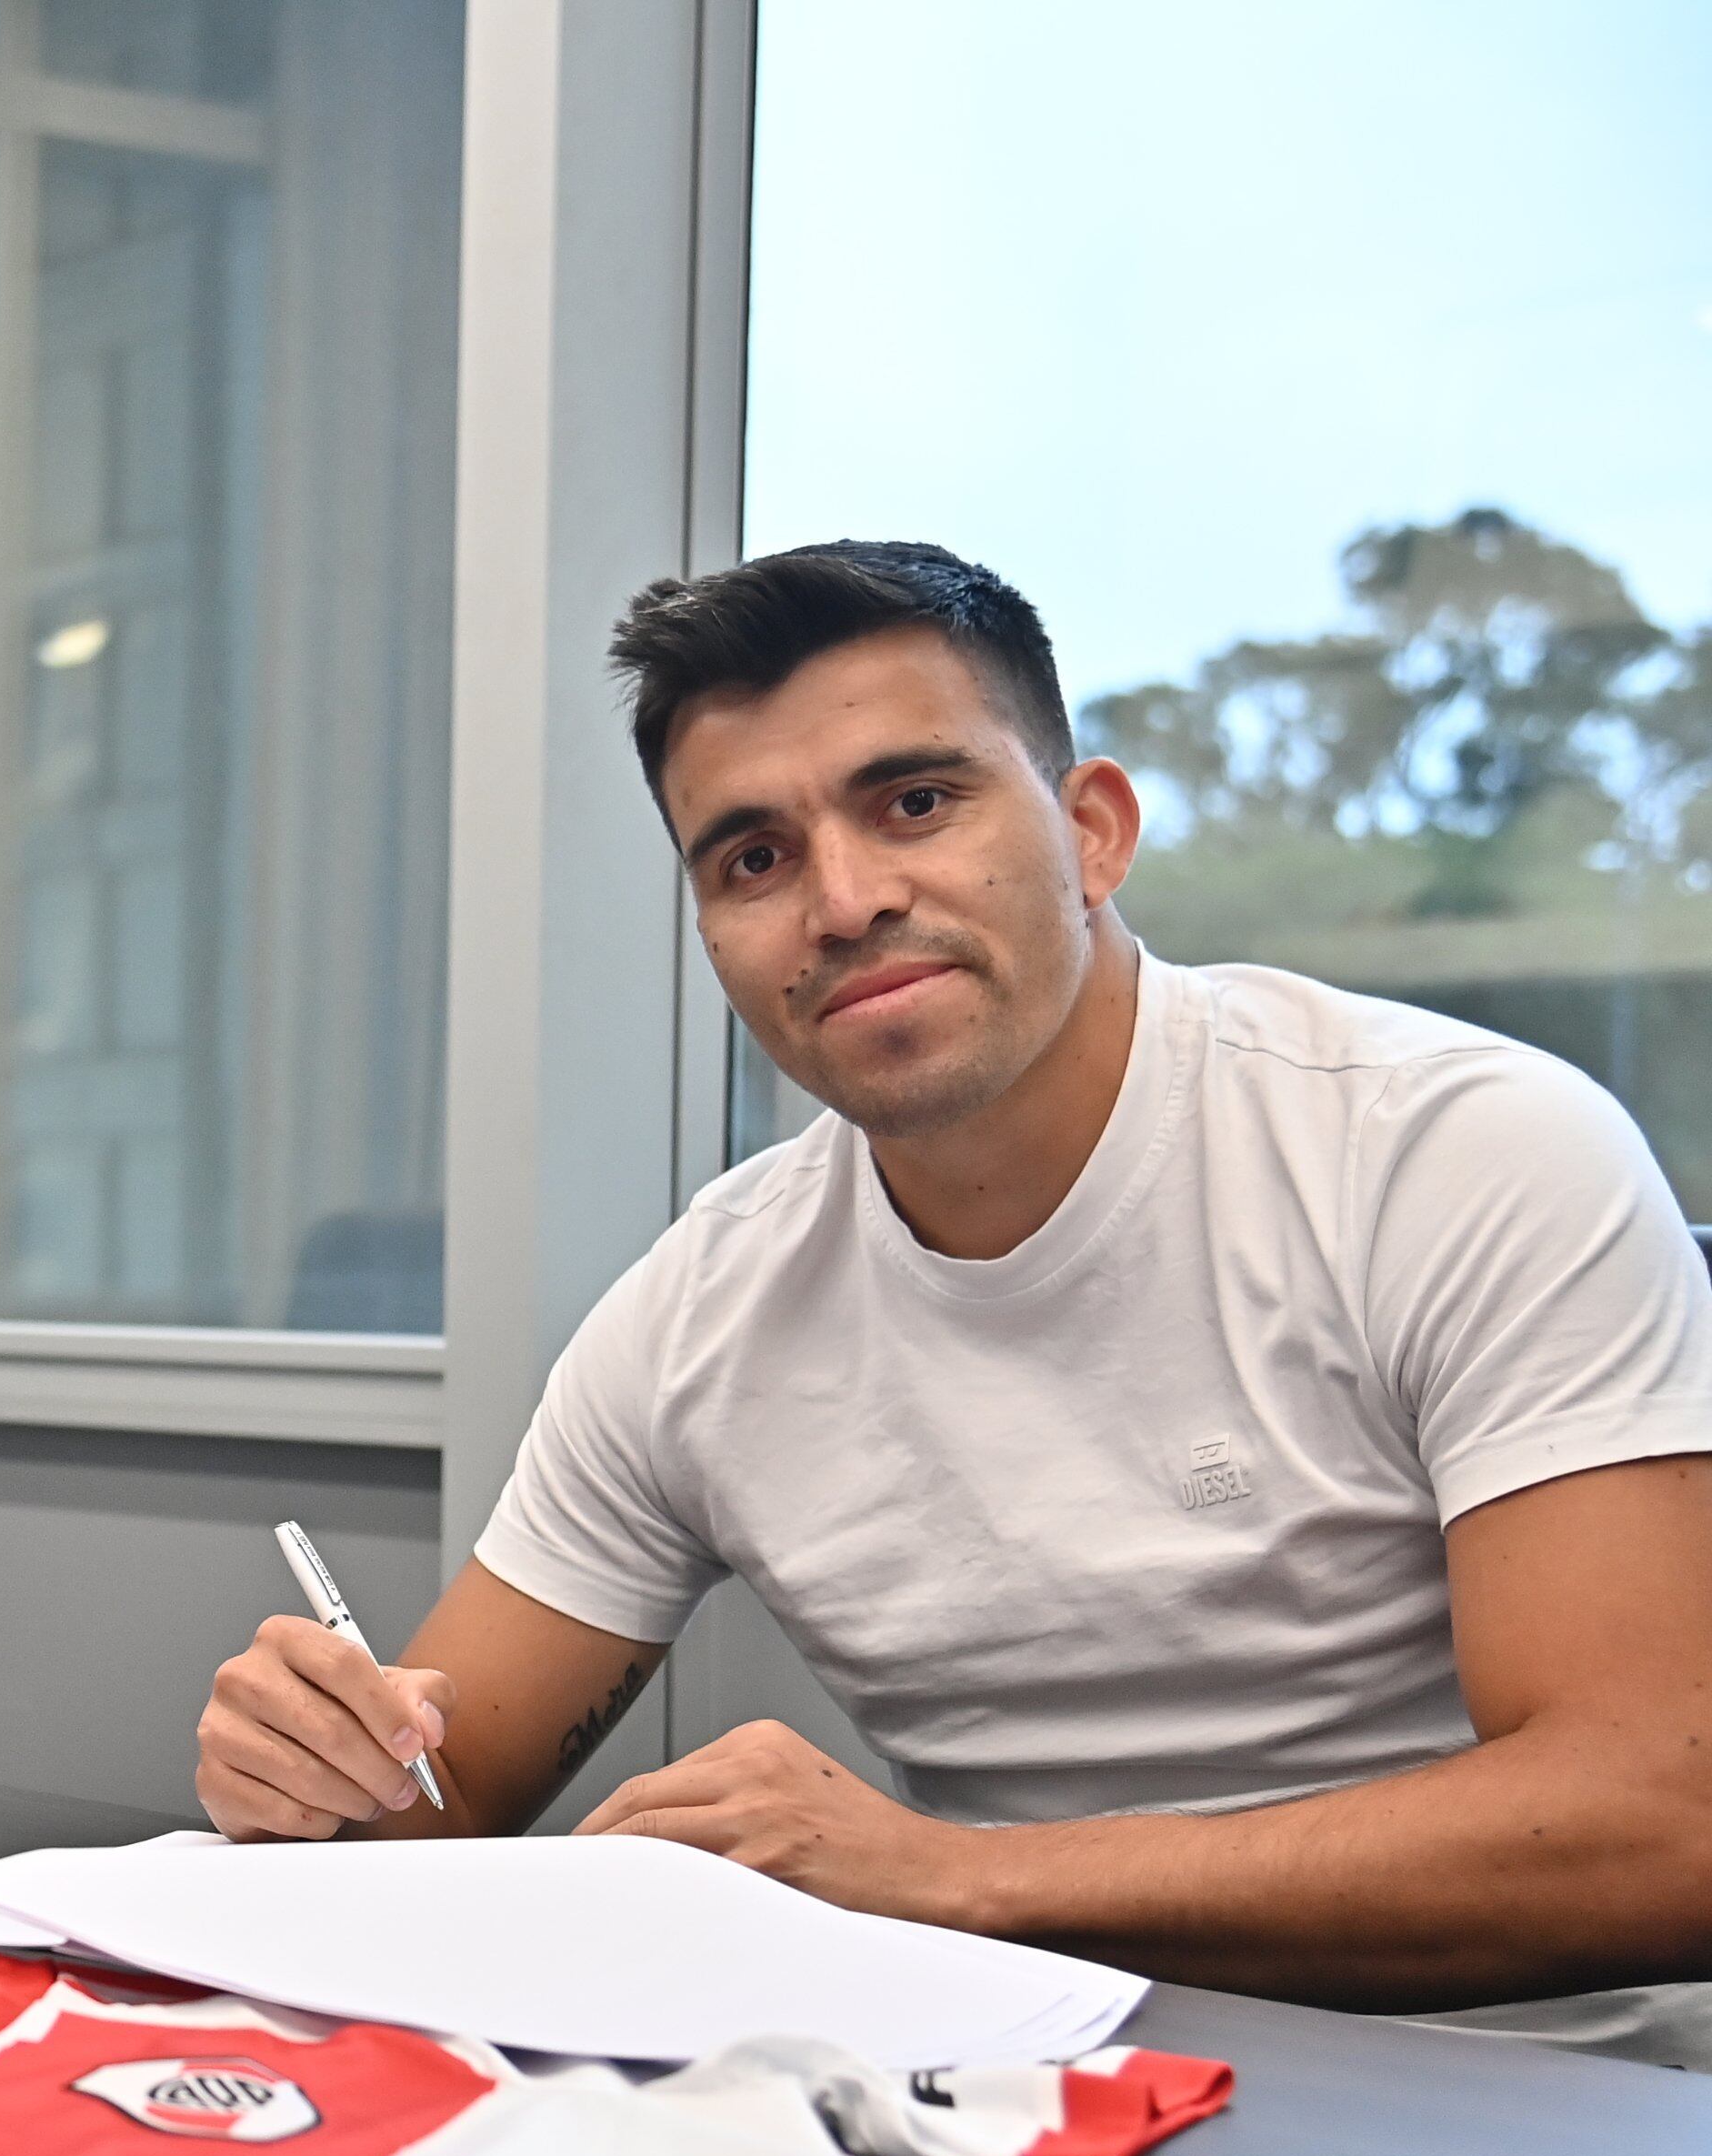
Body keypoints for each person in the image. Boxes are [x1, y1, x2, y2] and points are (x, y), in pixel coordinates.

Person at [193, 539, 1712, 2065]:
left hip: (1534, 2099)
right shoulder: (701, 1316)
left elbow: (1662, 1824)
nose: (843, 903)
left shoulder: (1453, 1152)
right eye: (753, 858)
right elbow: (430, 1809)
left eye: (914, 802)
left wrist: (951, 1883)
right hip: (1013, 2095)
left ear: (1092, 829)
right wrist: (318, 1763)